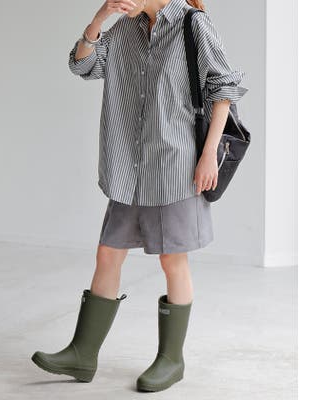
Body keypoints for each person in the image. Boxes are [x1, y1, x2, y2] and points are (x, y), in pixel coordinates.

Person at [31, 0, 248, 392]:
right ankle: (82, 354)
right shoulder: (125, 27)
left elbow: (224, 90)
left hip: (175, 167)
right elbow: (83, 65)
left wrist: (208, 155)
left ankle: (171, 359)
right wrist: (100, 17)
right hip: (129, 168)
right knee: (107, 253)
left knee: (172, 259)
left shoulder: (193, 25)